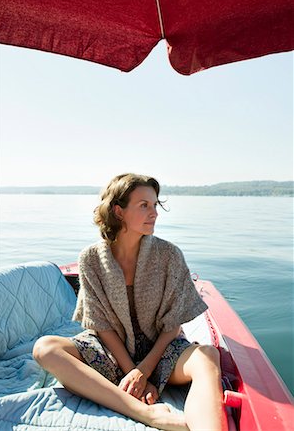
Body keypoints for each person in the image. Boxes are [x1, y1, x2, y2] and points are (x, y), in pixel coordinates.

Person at [33, 173, 228, 431]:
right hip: (111, 353)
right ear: (119, 211)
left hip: (163, 353)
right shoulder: (91, 259)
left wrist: (144, 371)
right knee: (45, 349)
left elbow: (173, 324)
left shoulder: (169, 255)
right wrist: (131, 373)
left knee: (207, 355)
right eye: (144, 205)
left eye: (155, 205)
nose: (154, 213)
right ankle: (145, 414)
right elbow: (101, 325)